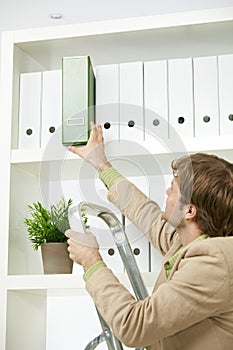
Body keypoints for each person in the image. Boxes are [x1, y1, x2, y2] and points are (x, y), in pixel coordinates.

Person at [65, 123, 233, 350]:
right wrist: (101, 164)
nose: (167, 191)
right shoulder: (185, 242)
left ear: (189, 211)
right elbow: (146, 213)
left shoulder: (214, 263)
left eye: (173, 188)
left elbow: (134, 327)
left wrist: (91, 261)